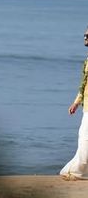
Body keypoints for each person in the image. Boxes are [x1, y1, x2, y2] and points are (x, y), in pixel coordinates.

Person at [60, 28, 88, 180]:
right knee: (83, 137)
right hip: (87, 106)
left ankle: (77, 172)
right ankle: (76, 171)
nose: (85, 37)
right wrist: (76, 103)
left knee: (84, 137)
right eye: (84, 34)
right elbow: (85, 84)